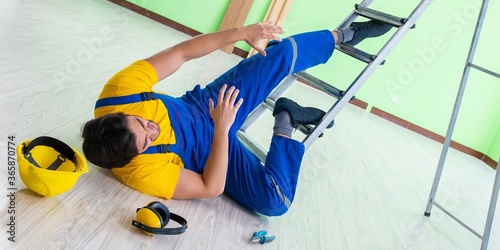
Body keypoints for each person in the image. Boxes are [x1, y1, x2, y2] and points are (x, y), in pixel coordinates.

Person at [82, 20, 391, 216]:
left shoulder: (119, 92)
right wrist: (222, 131)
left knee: (279, 53)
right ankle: (286, 119)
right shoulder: (138, 173)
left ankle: (345, 35)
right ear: (131, 160)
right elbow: (209, 187)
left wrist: (242, 33)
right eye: (147, 141)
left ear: (121, 114)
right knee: (276, 201)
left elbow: (181, 53)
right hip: (214, 145)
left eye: (142, 122)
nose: (152, 130)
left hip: (206, 105)